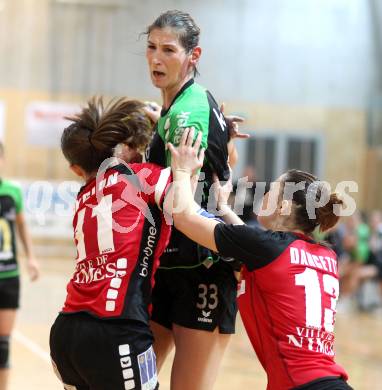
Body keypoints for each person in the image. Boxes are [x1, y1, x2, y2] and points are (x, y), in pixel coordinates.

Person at [165, 128, 353, 390]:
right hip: (332, 383)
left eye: (272, 191)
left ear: (284, 208)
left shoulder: (266, 249)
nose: (264, 195)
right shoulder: (327, 256)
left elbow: (184, 217)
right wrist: (226, 209)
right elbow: (260, 250)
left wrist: (182, 169)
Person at [143, 10, 242, 389]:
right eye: (151, 47)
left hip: (203, 266)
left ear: (192, 57)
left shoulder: (189, 112)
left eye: (168, 50)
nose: (156, 58)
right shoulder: (183, 104)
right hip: (169, 263)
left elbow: (186, 202)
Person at [49, 97, 175, 390]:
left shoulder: (83, 197)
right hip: (116, 329)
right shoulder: (141, 178)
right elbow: (187, 200)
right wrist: (181, 164)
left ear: (76, 168)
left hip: (66, 333)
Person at [0, 142, 39, 390]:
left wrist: (31, 257)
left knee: (3, 344)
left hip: (8, 275)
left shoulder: (12, 192)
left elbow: (22, 226)